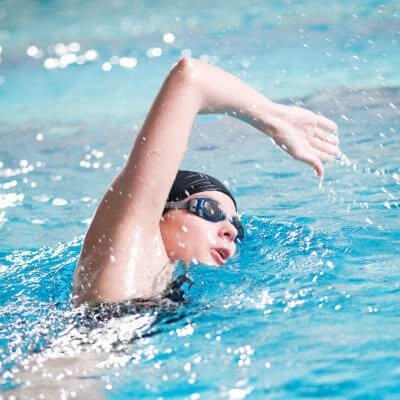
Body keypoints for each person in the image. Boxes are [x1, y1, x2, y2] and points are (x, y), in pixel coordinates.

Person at [72, 57, 339, 306]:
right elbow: (190, 78)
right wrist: (276, 120)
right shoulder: (129, 243)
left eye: (237, 227)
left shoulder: (156, 286)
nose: (231, 232)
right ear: (161, 212)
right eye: (209, 210)